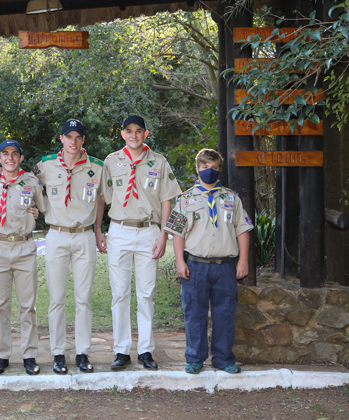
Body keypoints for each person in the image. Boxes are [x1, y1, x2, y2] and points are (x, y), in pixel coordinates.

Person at [99, 115, 182, 371]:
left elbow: (167, 200)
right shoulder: (111, 161)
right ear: (122, 134)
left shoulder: (159, 162)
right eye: (129, 131)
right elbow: (102, 197)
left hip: (148, 231)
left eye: (138, 131)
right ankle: (121, 350)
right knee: (120, 294)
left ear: (145, 134)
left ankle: (146, 350)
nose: (133, 135)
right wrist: (98, 230)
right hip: (119, 230)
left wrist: (164, 235)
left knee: (146, 294)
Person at [164, 148, 252, 375]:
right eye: (205, 167)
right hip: (196, 265)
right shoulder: (185, 199)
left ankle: (223, 358)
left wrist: (243, 260)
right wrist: (180, 262)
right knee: (194, 313)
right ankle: (195, 358)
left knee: (225, 313)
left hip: (225, 266)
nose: (209, 171)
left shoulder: (232, 198)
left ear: (219, 169)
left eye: (213, 167)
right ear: (198, 169)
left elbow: (242, 230)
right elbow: (177, 233)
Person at [33, 119, 106, 374]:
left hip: (84, 236)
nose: (73, 141)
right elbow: (25, 183)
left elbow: (100, 199)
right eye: (69, 136)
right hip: (57, 235)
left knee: (83, 299)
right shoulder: (46, 165)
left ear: (83, 140)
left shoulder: (96, 167)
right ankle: (58, 353)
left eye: (78, 137)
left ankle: (83, 352)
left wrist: (98, 230)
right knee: (57, 299)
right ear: (61, 138)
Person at [0, 139, 45, 375]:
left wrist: (36, 212)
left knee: (27, 305)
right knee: (0, 305)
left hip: (24, 248)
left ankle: (29, 355)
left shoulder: (31, 181)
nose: (9, 158)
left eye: (14, 154)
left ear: (20, 158)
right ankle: (1, 354)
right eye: (5, 154)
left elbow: (43, 208)